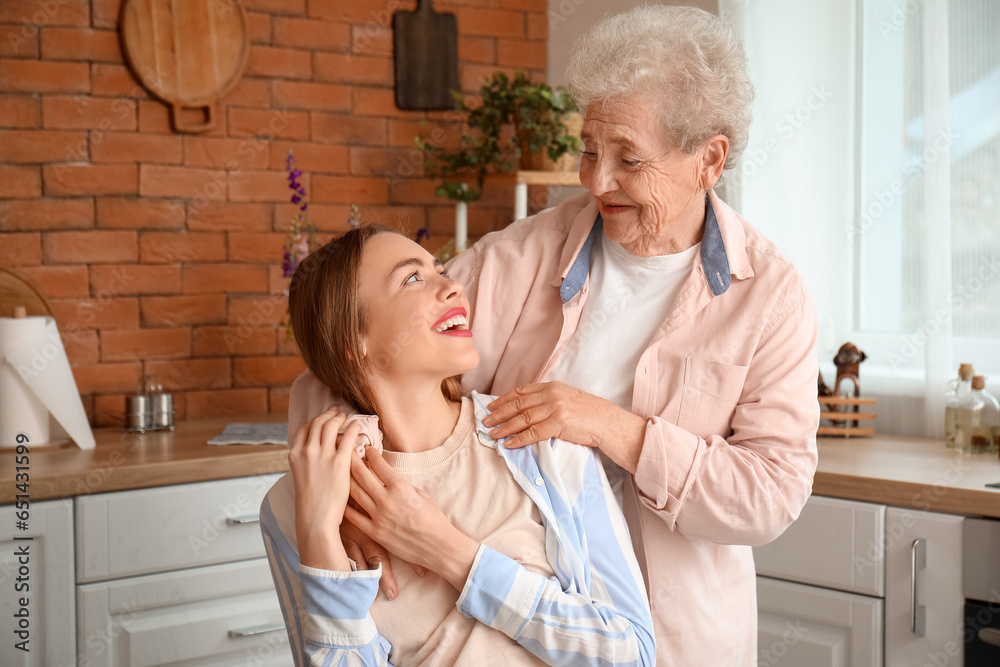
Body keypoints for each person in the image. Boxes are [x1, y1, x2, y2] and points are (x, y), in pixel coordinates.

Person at [288, 5, 820, 664]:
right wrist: (344, 494)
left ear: (709, 160)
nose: (596, 180)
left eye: (629, 159)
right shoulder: (525, 254)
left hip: (680, 640)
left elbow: (767, 495)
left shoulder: (769, 295)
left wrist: (611, 427)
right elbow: (346, 360)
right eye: (590, 150)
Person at [260, 225, 655, 666]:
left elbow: (632, 654)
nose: (453, 287)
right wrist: (318, 537)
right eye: (413, 278)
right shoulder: (297, 505)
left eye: (442, 270)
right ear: (355, 339)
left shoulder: (540, 446)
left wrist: (450, 552)